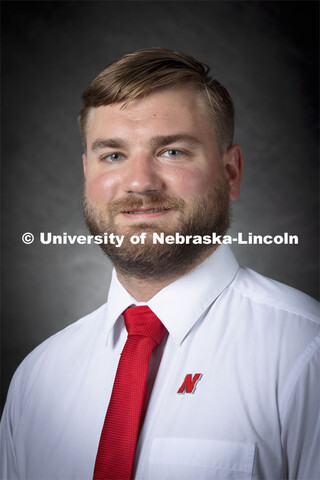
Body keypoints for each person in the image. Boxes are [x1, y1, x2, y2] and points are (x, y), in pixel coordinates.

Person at [1, 48, 319, 480]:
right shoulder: (37, 380)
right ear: (87, 173)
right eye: (112, 155)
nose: (139, 183)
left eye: (171, 151)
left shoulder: (305, 354)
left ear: (230, 174)